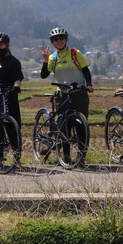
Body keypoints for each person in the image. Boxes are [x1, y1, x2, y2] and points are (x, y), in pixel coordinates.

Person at [40, 27, 94, 165]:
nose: (59, 41)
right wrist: (46, 61)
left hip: (79, 93)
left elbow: (86, 71)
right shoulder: (53, 57)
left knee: (82, 126)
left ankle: (81, 157)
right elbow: (44, 75)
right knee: (65, 127)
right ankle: (66, 157)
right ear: (52, 42)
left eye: (61, 38)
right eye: (55, 39)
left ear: (66, 39)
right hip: (62, 94)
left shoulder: (75, 54)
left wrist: (88, 84)